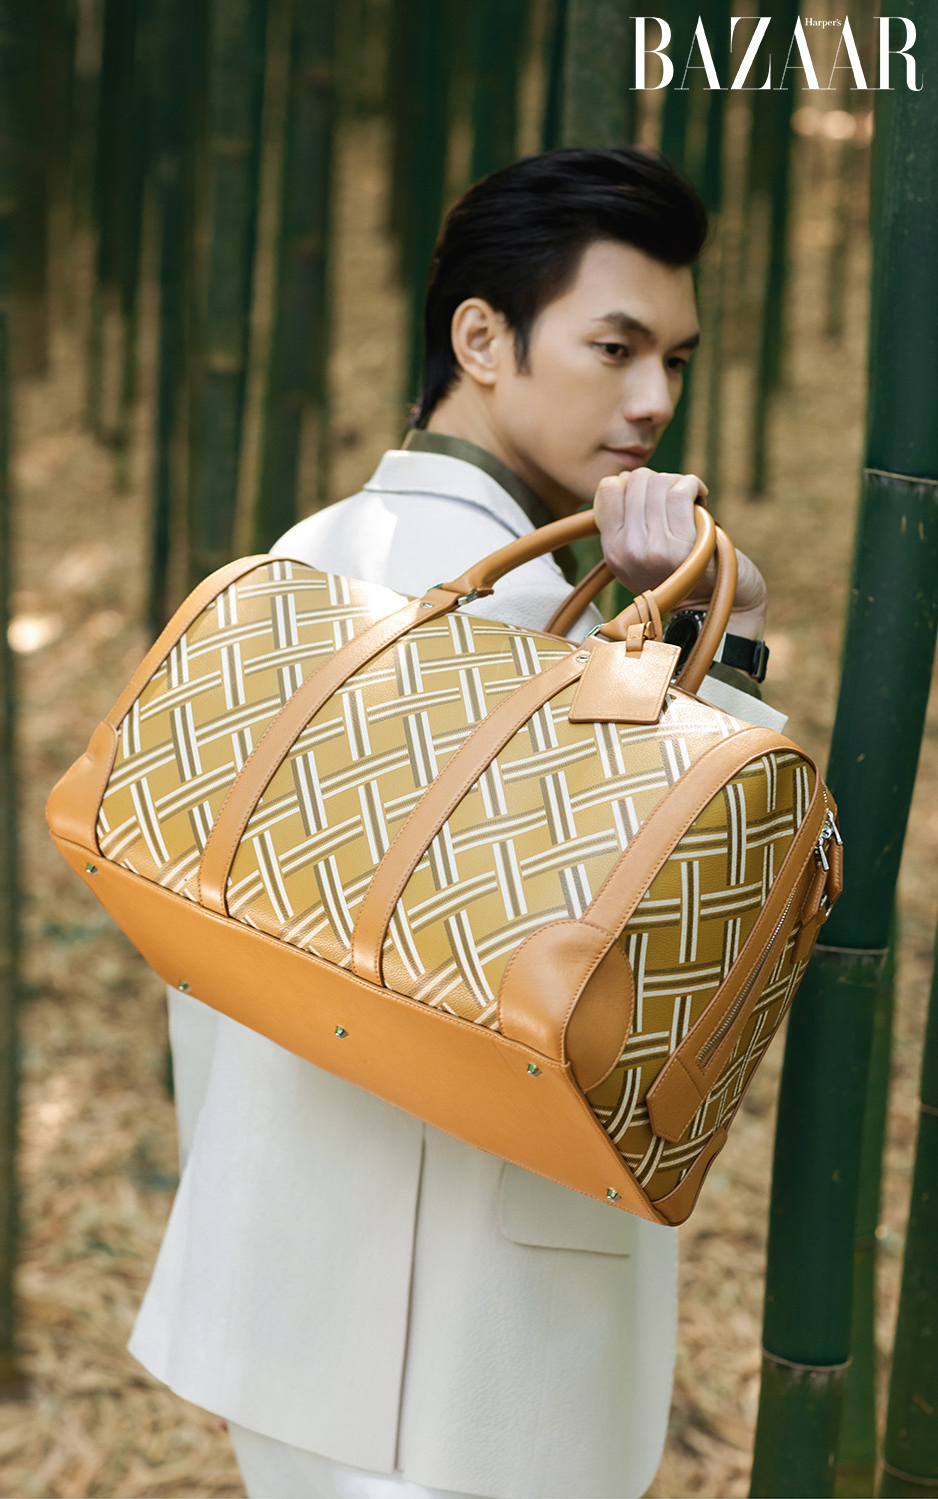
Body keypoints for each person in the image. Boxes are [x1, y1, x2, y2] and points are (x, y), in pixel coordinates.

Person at [128, 149, 779, 1499]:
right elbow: (682, 959)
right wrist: (722, 645)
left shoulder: (304, 556)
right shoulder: (510, 632)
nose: (655, 400)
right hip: (453, 1348)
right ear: (481, 339)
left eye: (676, 359)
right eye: (616, 347)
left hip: (291, 1293)